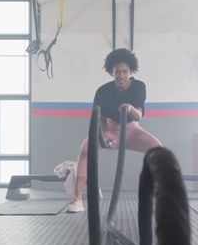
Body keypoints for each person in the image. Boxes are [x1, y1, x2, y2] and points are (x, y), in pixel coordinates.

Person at [66, 48, 162, 213]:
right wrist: (103, 135)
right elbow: (100, 118)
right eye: (117, 72)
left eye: (124, 72)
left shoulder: (139, 87)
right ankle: (77, 199)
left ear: (130, 72)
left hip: (131, 130)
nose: (121, 76)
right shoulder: (102, 91)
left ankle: (163, 195)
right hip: (109, 131)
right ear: (112, 72)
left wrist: (130, 109)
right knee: (85, 149)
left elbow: (138, 115)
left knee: (159, 150)